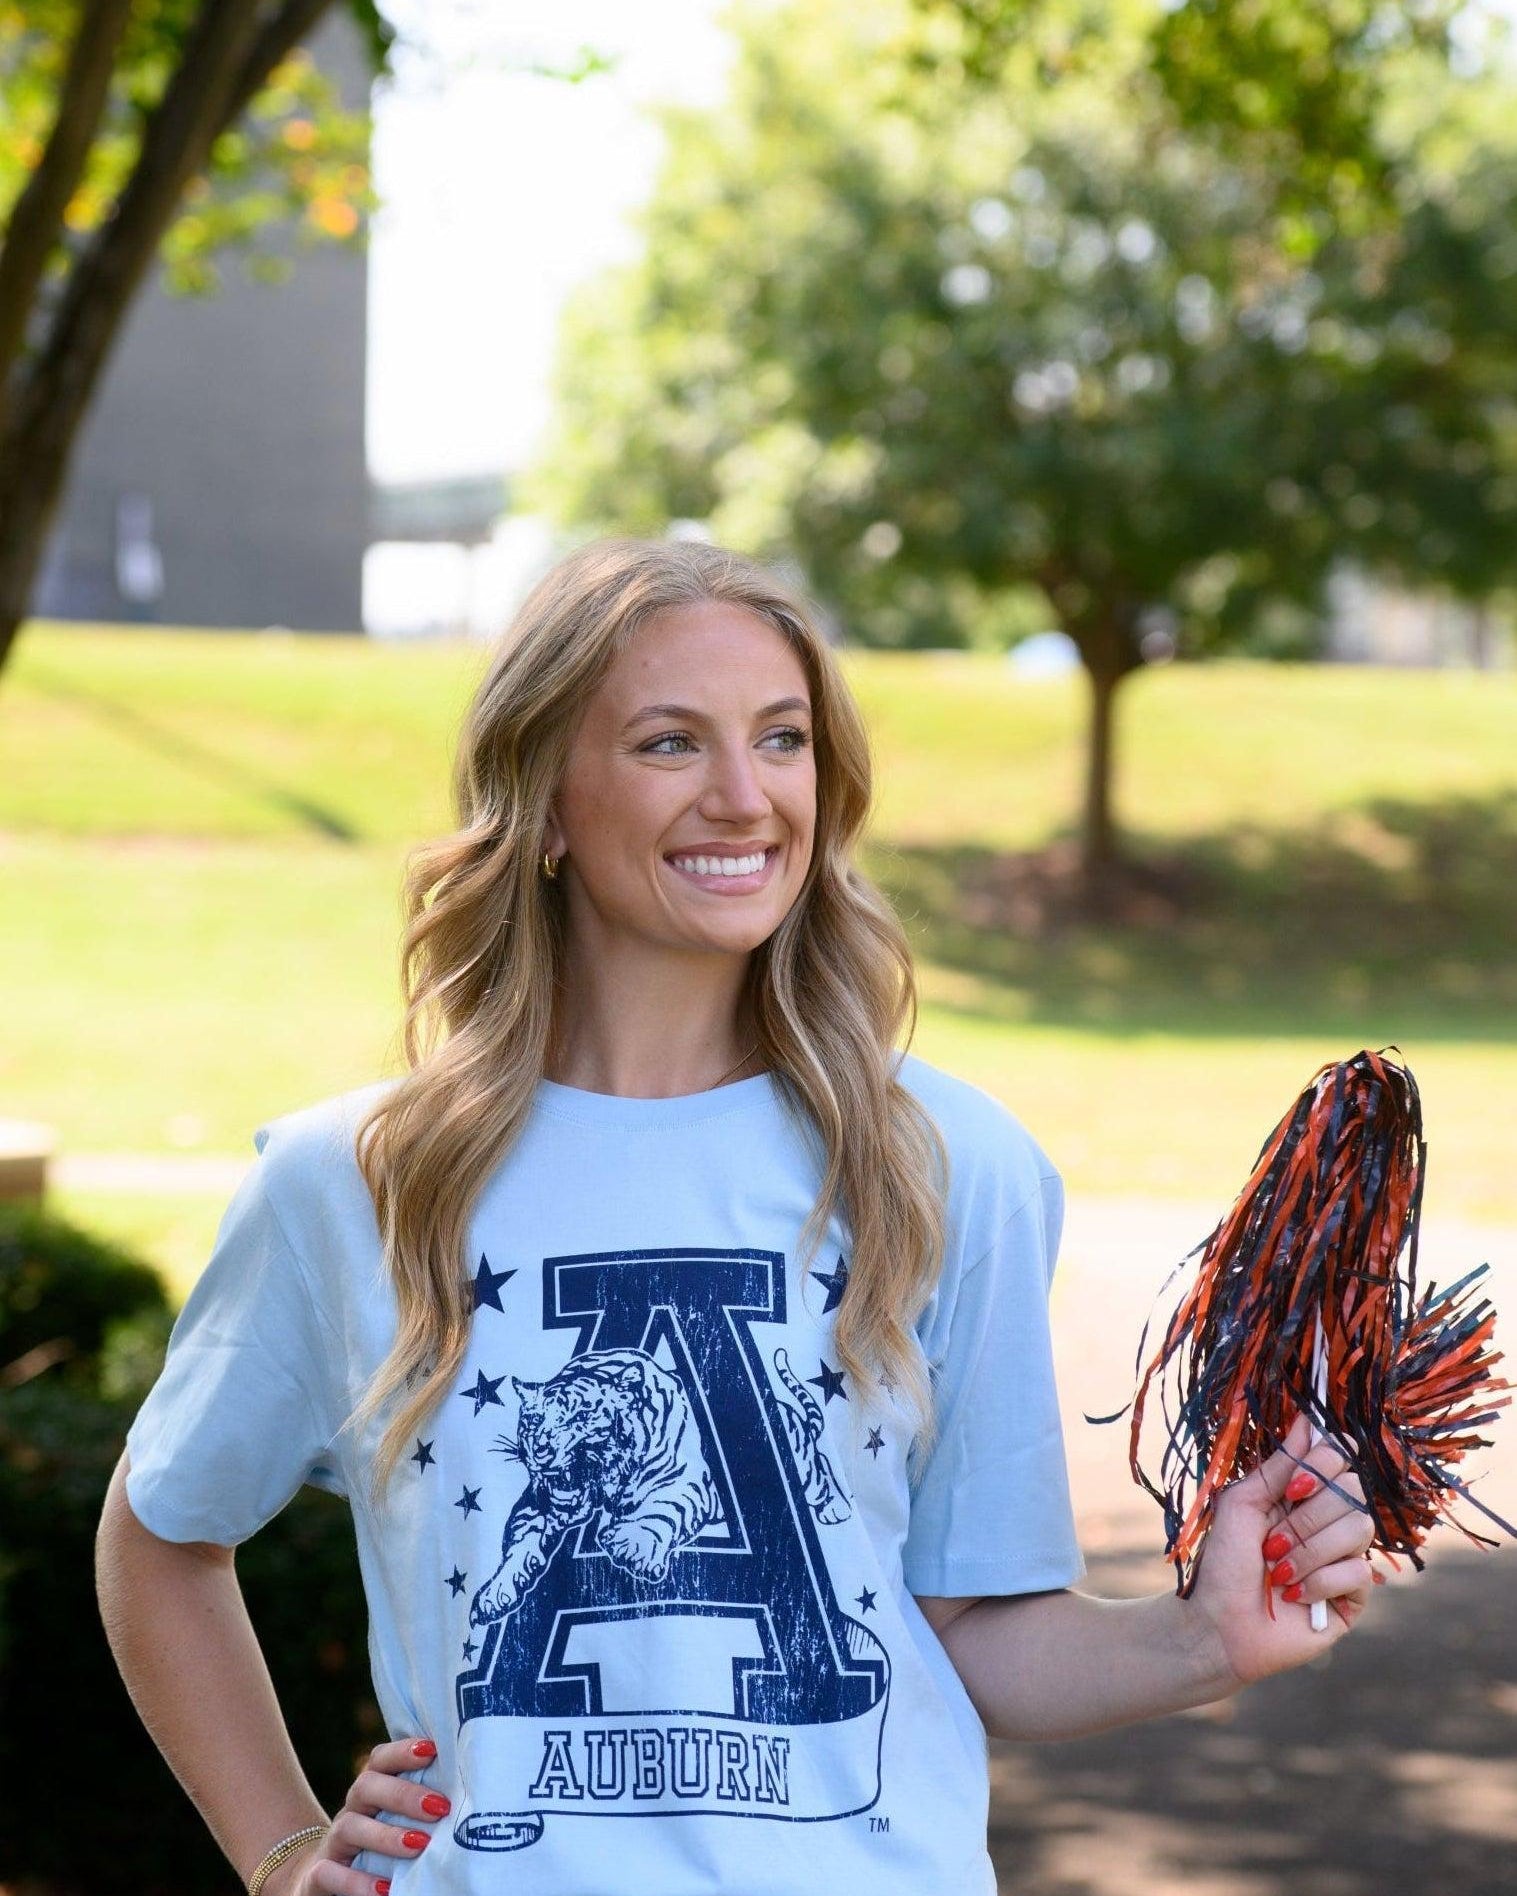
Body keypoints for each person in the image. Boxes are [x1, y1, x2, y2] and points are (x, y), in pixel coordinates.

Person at [95, 537, 1376, 1896]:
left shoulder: (943, 1163)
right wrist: (285, 1851)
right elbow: (160, 1536)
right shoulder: (352, 1181)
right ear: (541, 800)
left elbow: (971, 1626)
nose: (743, 796)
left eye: (781, 740)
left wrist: (1205, 1640)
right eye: (667, 743)